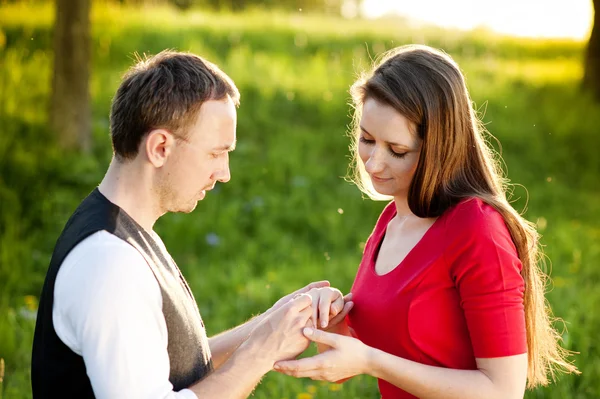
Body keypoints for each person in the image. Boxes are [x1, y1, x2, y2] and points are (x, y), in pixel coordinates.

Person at [31, 50, 351, 399]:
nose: (224, 173)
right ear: (160, 147)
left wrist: (272, 323)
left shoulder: (127, 235)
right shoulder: (110, 265)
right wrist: (262, 353)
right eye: (215, 153)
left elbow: (172, 370)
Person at [274, 44, 579, 398]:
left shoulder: (477, 229)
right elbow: (362, 359)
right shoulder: (394, 217)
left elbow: (503, 391)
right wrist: (337, 322)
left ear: (439, 147)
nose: (373, 164)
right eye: (366, 140)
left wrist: (371, 361)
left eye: (397, 151)